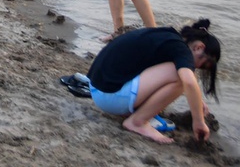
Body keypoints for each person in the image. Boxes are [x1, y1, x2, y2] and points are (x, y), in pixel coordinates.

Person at [86, 19, 220, 145]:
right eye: (202, 65)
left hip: (99, 89)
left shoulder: (169, 37)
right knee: (182, 78)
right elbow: (189, 82)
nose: (196, 68)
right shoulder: (181, 50)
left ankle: (133, 113)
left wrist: (196, 101)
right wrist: (198, 121)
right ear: (199, 47)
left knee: (182, 75)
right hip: (109, 96)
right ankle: (137, 122)